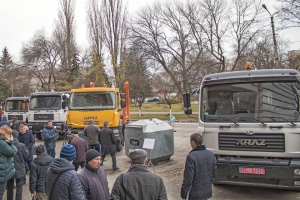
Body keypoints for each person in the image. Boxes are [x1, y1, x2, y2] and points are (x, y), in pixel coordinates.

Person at [180, 133, 217, 200]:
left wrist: (184, 194)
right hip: (206, 191)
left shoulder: (191, 156)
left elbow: (188, 179)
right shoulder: (211, 154)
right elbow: (214, 172)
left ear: (193, 142)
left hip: (195, 193)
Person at [6, 130, 29, 200]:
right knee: (19, 188)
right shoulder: (22, 145)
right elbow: (26, 155)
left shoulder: (6, 145)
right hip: (20, 168)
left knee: (9, 187)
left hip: (9, 169)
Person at [0, 125, 17, 200]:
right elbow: (12, 152)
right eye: (9, 134)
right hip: (1, 174)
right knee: (1, 193)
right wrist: (12, 142)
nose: (10, 136)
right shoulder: (1, 143)